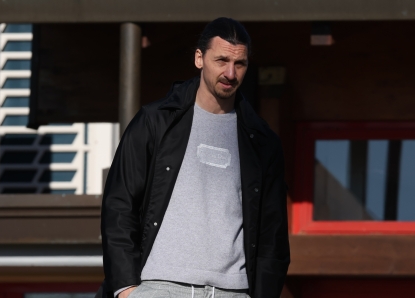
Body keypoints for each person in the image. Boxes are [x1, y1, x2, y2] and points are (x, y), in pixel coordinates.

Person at [97, 17, 290, 298]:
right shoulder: (155, 122)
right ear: (199, 58)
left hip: (232, 291)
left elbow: (273, 234)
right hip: (159, 286)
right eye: (221, 60)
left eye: (240, 64)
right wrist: (125, 288)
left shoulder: (262, 141)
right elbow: (119, 204)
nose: (231, 73)